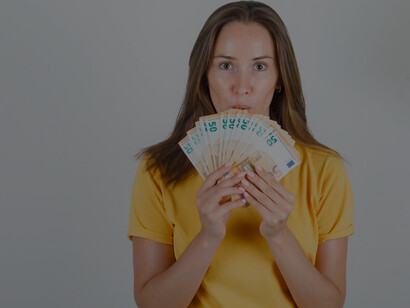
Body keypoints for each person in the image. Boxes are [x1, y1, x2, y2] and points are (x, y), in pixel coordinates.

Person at [127, 1, 354, 307]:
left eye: (259, 66)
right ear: (204, 76)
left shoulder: (325, 170)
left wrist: (278, 234)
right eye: (225, 65)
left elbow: (329, 304)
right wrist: (208, 235)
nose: (242, 87)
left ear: (279, 81)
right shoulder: (157, 171)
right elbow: (151, 303)